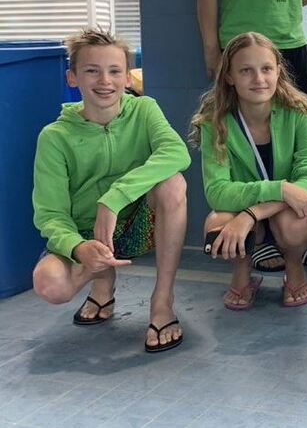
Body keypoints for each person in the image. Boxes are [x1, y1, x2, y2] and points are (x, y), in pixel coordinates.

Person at [32, 28, 190, 353]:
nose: (105, 80)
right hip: (86, 236)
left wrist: (114, 198)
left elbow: (177, 152)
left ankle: (162, 302)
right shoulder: (54, 137)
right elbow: (51, 214)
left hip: (135, 226)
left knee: (173, 182)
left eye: (114, 70)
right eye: (92, 70)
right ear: (72, 77)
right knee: (49, 283)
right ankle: (101, 281)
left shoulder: (144, 110)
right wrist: (78, 248)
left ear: (127, 77)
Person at [190, 32, 307, 309]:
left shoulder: (300, 113)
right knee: (216, 225)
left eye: (266, 69)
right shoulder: (214, 122)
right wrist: (280, 189)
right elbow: (217, 192)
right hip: (247, 206)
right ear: (229, 76)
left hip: (275, 210)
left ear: (278, 71)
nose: (259, 79)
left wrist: (253, 214)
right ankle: (242, 273)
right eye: (246, 71)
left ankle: (294, 267)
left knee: (297, 222)